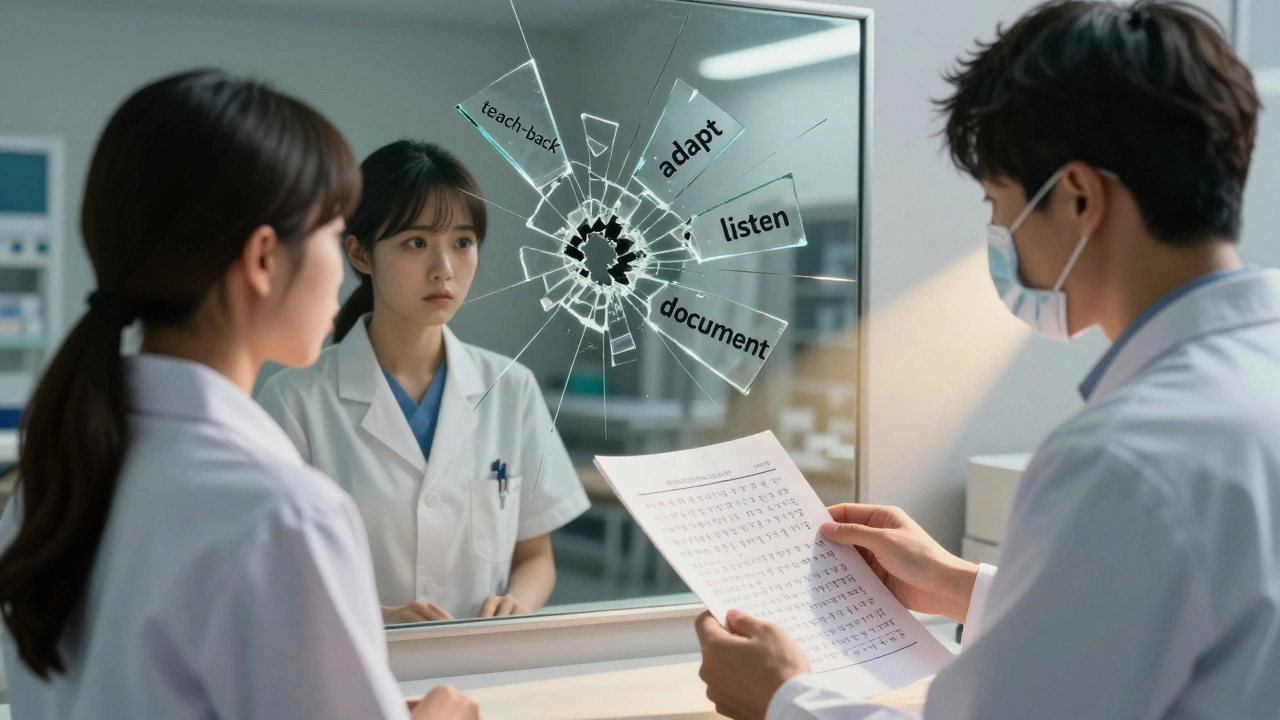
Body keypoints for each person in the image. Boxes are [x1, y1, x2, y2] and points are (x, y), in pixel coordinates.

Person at [696, 1, 1279, 718]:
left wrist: (784, 698)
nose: (998, 232)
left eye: (997, 201)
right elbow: (1194, 611)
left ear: (1076, 197)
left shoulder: (1123, 458)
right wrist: (960, 585)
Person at [0, 70, 477, 719]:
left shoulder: (51, 478)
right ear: (263, 259)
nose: (340, 270)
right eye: (331, 235)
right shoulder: (282, 517)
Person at [257, 140, 590, 624]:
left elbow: (535, 558)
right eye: (416, 243)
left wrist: (516, 604)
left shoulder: (510, 389)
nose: (444, 270)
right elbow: (273, 574)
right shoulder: (294, 401)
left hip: (482, 668)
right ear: (360, 253)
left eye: (462, 242)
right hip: (351, 672)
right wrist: (379, 618)